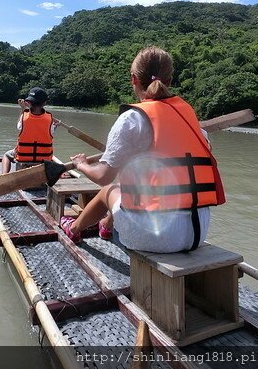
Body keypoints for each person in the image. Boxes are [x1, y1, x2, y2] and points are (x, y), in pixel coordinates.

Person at [60, 46, 225, 253]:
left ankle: (73, 228)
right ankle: (105, 225)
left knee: (108, 190)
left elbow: (102, 176)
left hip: (156, 238)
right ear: (171, 81)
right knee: (128, 183)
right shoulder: (191, 119)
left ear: (133, 79)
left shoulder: (132, 119)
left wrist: (81, 164)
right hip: (197, 233)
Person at [1, 87, 59, 174]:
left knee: (6, 155)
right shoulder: (49, 119)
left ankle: (4, 175)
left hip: (23, 157)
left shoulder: (24, 116)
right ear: (45, 103)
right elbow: (51, 130)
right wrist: (56, 125)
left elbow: (19, 127)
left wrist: (22, 109)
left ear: (29, 102)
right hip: (44, 159)